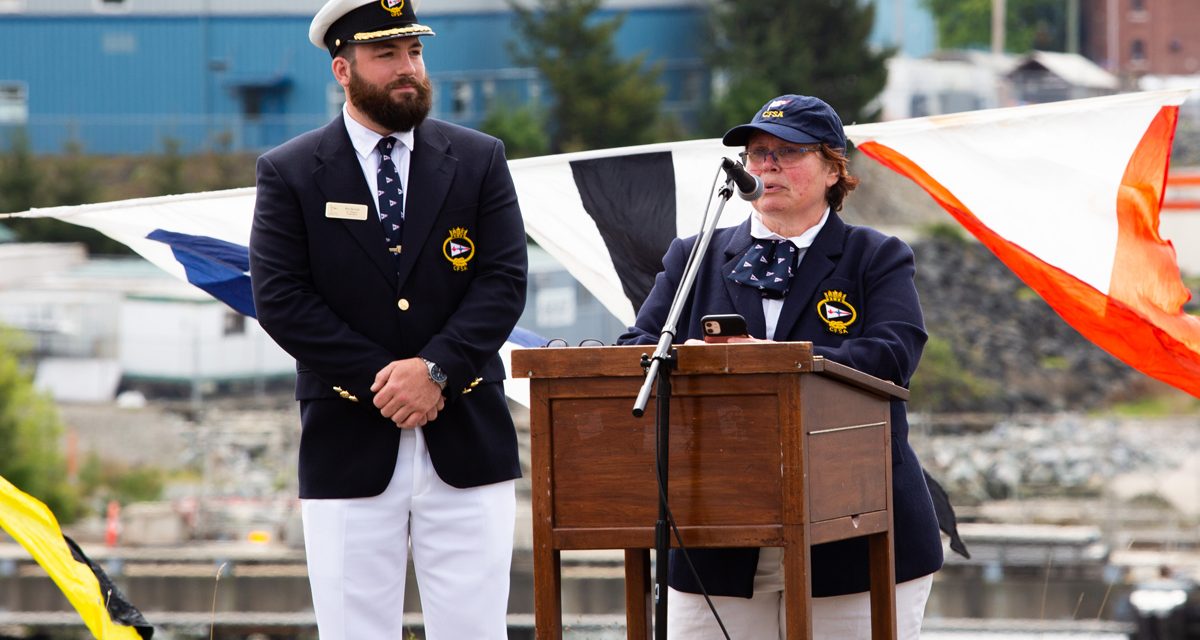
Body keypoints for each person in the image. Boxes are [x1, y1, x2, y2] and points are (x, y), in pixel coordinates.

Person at [247, 0, 527, 638]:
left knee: (475, 629)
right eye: (387, 54)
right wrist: (389, 379)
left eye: (415, 52)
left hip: (467, 437)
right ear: (343, 69)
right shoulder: (290, 173)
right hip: (348, 439)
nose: (409, 68)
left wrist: (435, 370)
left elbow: (503, 282)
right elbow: (282, 299)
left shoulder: (479, 158)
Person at [618, 94, 943, 639]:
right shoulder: (691, 255)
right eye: (757, 152)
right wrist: (696, 362)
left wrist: (778, 366)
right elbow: (638, 349)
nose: (766, 165)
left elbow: (893, 354)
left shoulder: (877, 256)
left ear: (833, 168)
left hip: (854, 529)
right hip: (715, 526)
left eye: (786, 152)